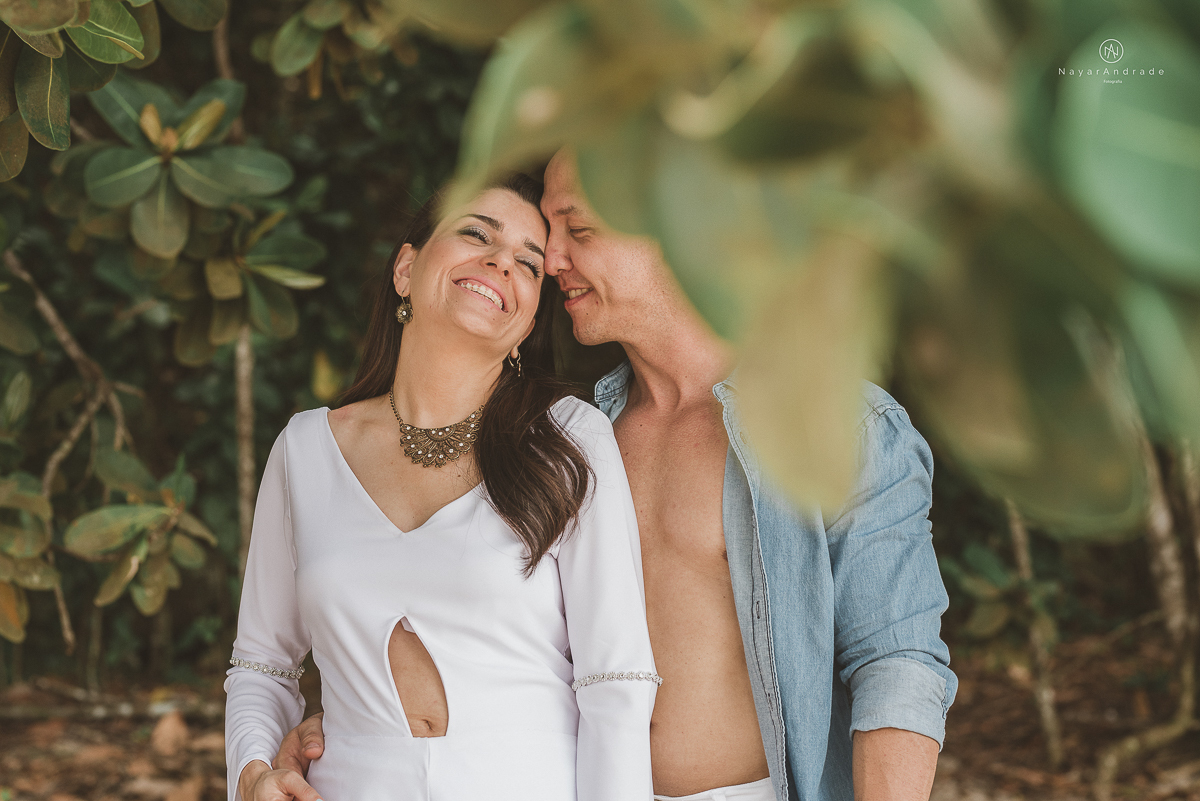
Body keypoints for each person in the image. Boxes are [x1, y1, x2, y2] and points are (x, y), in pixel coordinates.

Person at [276, 152, 958, 801]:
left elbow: (896, 666)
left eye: (578, 229)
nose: (553, 261)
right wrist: (358, 724)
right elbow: (482, 631)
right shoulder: (561, 436)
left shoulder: (833, 425)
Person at [224, 173, 659, 801]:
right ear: (407, 268)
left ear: (530, 318)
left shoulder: (569, 439)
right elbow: (261, 664)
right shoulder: (305, 448)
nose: (499, 263)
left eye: (529, 265)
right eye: (476, 234)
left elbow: (614, 681)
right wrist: (254, 773)